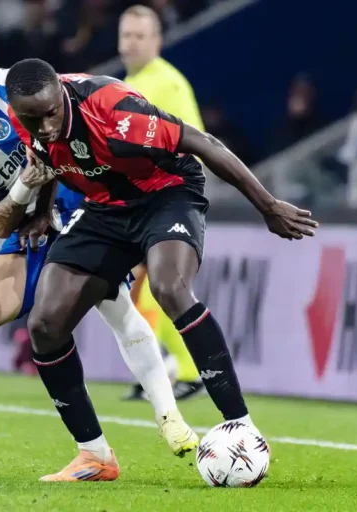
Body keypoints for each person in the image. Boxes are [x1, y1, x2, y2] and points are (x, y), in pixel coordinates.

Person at [0, 51, 198, 481]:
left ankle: (170, 418)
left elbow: (62, 123)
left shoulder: (3, 88)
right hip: (28, 233)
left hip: (83, 210)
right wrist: (22, 191)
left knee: (117, 306)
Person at [5, 58, 318, 481]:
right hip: (104, 208)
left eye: (50, 114)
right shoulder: (24, 114)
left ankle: (241, 425)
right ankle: (95, 456)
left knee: (169, 287)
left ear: (62, 93)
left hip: (166, 194)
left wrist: (268, 206)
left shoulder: (116, 111)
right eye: (32, 118)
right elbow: (47, 157)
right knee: (44, 324)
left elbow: (205, 143)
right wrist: (42, 211)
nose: (43, 126)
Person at [119, 4, 205, 401]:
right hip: (136, 203)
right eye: (126, 35)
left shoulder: (168, 83)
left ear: (157, 41)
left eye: (140, 36)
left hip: (166, 200)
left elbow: (195, 141)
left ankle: (184, 372)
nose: (132, 43)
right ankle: (165, 373)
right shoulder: (126, 83)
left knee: (158, 287)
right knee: (147, 290)